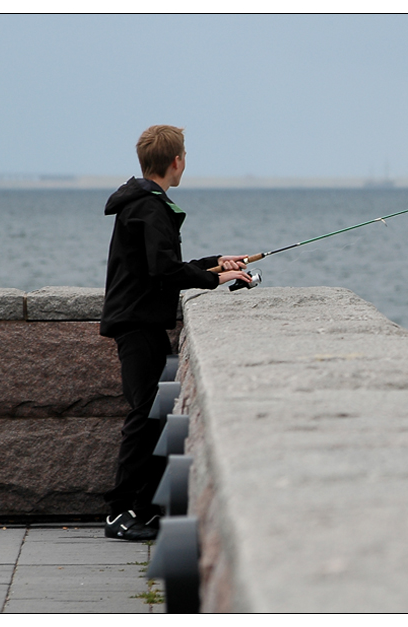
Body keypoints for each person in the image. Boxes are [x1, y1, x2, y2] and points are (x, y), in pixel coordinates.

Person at [100, 125, 252, 540]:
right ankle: (119, 512)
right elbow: (163, 270)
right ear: (177, 161)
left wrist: (217, 262)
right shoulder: (150, 208)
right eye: (185, 157)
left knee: (152, 416)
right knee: (142, 414)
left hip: (139, 317)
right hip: (137, 322)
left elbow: (160, 264)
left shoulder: (142, 203)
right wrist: (215, 280)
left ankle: (144, 509)